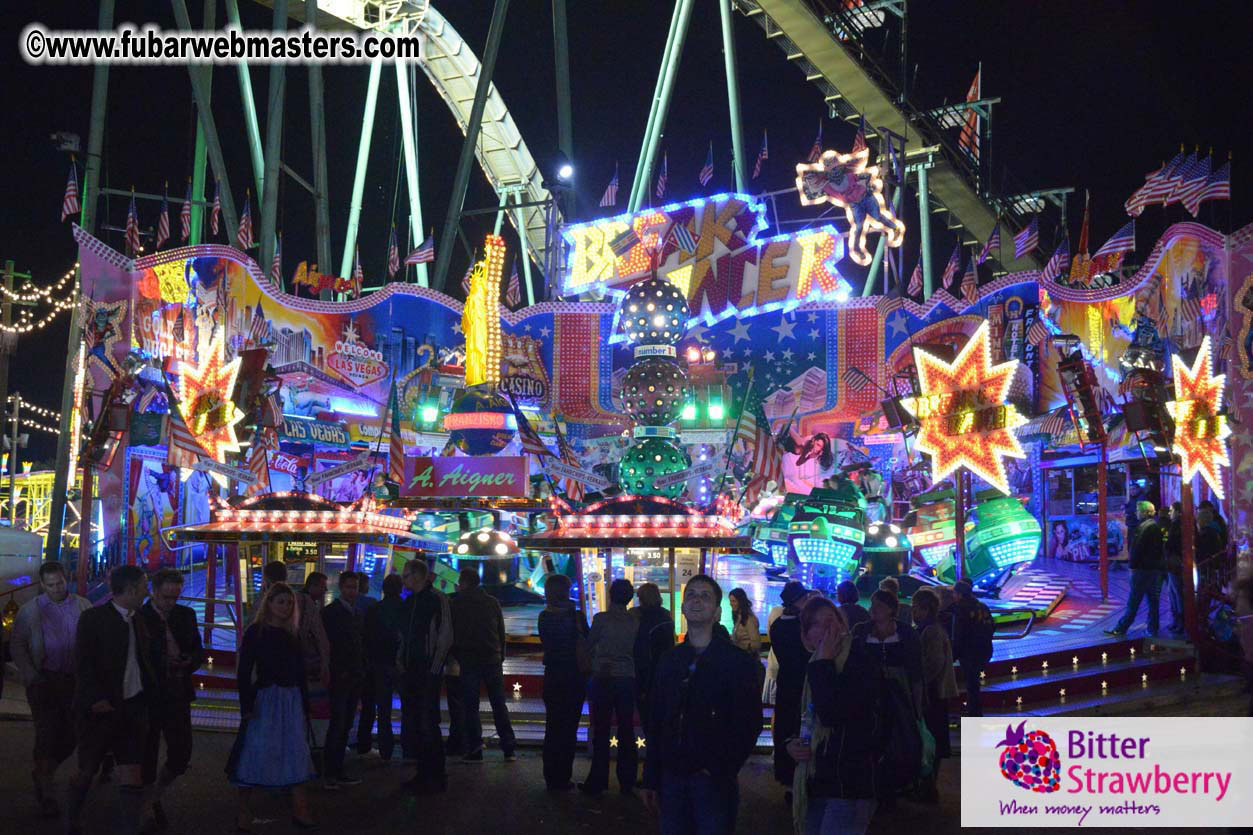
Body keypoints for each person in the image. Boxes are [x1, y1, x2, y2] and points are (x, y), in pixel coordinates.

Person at [641, 574, 762, 833]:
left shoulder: (736, 662)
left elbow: (749, 721)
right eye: (691, 595)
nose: (697, 600)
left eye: (705, 596)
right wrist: (651, 776)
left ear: (717, 612)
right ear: (683, 608)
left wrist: (722, 767)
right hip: (672, 775)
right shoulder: (670, 660)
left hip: (713, 779)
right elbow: (657, 719)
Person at [66, 565, 156, 835]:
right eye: (144, 587)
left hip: (133, 706)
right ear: (130, 590)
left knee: (132, 771)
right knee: (87, 769)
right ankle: (73, 816)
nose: (147, 592)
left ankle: (130, 827)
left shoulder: (140, 619)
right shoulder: (93, 619)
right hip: (100, 709)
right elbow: (83, 662)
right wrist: (94, 697)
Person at [786, 597, 880, 834]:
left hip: (849, 782)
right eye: (815, 624)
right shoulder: (811, 666)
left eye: (830, 620)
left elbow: (832, 713)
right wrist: (791, 743)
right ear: (806, 637)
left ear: (842, 625)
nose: (825, 629)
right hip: (816, 778)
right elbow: (801, 717)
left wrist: (824, 663)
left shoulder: (861, 660)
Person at [229, 583, 316, 831]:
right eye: (281, 602)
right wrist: (246, 705)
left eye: (289, 603)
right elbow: (244, 672)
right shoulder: (256, 632)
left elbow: (300, 673)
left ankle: (300, 807)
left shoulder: (292, 634)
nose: (286, 607)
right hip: (267, 697)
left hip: (290, 698)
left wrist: (305, 704)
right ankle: (244, 809)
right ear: (269, 604)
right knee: (256, 749)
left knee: (294, 749)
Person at [11, 561, 93, 818]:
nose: (57, 588)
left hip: (74, 680)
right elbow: (17, 644)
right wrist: (30, 675)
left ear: (66, 579)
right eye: (51, 585)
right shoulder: (30, 610)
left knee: (72, 733)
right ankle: (47, 789)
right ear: (43, 584)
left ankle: (44, 773)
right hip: (44, 679)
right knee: (46, 732)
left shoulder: (82, 606)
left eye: (60, 583)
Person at [138, 569, 205, 832]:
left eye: (175, 597)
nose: (171, 602)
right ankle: (148, 803)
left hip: (177, 689)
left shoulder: (185, 615)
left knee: (181, 752)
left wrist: (189, 661)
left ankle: (152, 796)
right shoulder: (139, 617)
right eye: (166, 597)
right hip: (150, 693)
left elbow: (197, 649)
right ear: (154, 592)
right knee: (148, 749)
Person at [581, 578, 640, 795]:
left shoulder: (601, 619)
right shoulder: (635, 622)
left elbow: (589, 645)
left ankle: (598, 781)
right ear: (629, 598)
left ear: (610, 595)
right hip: (626, 678)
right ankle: (627, 781)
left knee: (602, 730)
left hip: (603, 677)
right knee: (626, 729)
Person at [450, 568, 517, 761]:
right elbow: (501, 631)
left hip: (469, 659)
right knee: (499, 704)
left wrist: (454, 655)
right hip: (492, 658)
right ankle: (509, 747)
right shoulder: (492, 602)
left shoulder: (457, 603)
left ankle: (475, 748)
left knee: (471, 706)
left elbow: (453, 631)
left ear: (464, 582)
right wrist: (500, 654)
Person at [398, 558, 453, 793]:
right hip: (412, 670)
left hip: (426, 670)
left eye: (406, 575)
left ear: (418, 576)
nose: (403, 580)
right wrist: (401, 661)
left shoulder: (436, 599)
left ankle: (435, 775)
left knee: (427, 722)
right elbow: (404, 636)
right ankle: (425, 773)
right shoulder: (411, 601)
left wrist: (434, 667)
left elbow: (445, 635)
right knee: (419, 722)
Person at [537, 573, 589, 791]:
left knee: (553, 727)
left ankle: (551, 776)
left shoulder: (544, 617)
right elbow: (587, 642)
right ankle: (563, 776)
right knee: (569, 729)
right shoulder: (576, 616)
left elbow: (546, 642)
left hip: (553, 676)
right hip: (574, 676)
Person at [910, 588, 956, 803]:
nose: (913, 612)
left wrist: (919, 683)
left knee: (930, 737)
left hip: (933, 694)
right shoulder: (931, 628)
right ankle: (926, 785)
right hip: (934, 692)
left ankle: (928, 787)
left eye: (916, 608)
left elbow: (934, 663)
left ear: (926, 609)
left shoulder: (931, 631)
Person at [321, 571, 365, 788]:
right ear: (341, 588)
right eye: (349, 587)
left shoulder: (350, 612)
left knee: (344, 724)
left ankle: (335, 769)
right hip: (342, 675)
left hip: (351, 675)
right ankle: (332, 771)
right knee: (339, 724)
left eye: (354, 588)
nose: (352, 591)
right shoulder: (334, 613)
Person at [853, 590, 923, 713]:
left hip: (900, 693)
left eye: (879, 605)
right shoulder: (861, 630)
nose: (873, 609)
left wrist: (917, 705)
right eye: (872, 604)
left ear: (891, 609)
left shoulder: (906, 633)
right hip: (868, 691)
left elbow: (916, 669)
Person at [769, 581, 810, 789]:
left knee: (785, 726)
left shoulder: (777, 625)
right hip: (802, 682)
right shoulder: (801, 626)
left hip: (785, 680)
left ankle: (785, 774)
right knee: (799, 725)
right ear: (798, 602)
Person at [1107, 500, 1167, 637]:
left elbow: (1137, 549)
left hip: (1142, 570)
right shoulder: (1154, 526)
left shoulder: (1144, 527)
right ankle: (1153, 629)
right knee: (1153, 601)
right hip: (1154, 569)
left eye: (1138, 511)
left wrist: (1132, 566)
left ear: (1145, 512)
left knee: (1134, 600)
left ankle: (1121, 628)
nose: (1136, 513)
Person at [362, 574, 406, 763]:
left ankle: (384, 749)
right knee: (408, 707)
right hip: (401, 664)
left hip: (379, 663)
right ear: (400, 589)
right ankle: (408, 747)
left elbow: (366, 636)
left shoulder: (374, 609)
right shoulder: (406, 608)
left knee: (383, 708)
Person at [295, 572, 331, 766]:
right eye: (323, 587)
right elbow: (320, 637)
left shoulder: (297, 600)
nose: (325, 591)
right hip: (306, 667)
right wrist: (325, 662)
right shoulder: (309, 605)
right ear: (313, 586)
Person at [633, 582, 675, 728]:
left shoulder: (639, 618)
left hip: (646, 674)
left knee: (646, 716)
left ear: (642, 598)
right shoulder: (666, 616)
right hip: (664, 673)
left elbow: (642, 651)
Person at [950, 579, 994, 716]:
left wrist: (953, 655)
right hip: (984, 650)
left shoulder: (960, 610)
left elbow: (959, 634)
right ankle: (975, 712)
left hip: (969, 653)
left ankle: (974, 713)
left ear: (959, 594)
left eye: (954, 593)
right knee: (974, 684)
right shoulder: (982, 606)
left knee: (971, 685)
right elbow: (992, 627)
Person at [353, 572, 380, 755]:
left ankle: (346, 741)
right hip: (369, 660)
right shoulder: (371, 604)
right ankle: (364, 743)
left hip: (350, 662)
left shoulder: (346, 604)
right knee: (369, 703)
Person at [1163, 503, 1187, 636]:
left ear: (1178, 512)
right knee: (1173, 591)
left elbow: (1172, 543)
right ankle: (1178, 621)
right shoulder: (1178, 524)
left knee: (1176, 592)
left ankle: (1180, 622)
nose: (1169, 513)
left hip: (1175, 562)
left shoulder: (1177, 525)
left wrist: (1166, 545)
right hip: (1175, 562)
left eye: (1171, 510)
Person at [728, 588, 762, 657]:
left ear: (741, 602)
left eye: (734, 601)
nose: (731, 604)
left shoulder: (749, 619)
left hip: (747, 658)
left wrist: (743, 648)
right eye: (730, 601)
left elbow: (756, 644)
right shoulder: (738, 618)